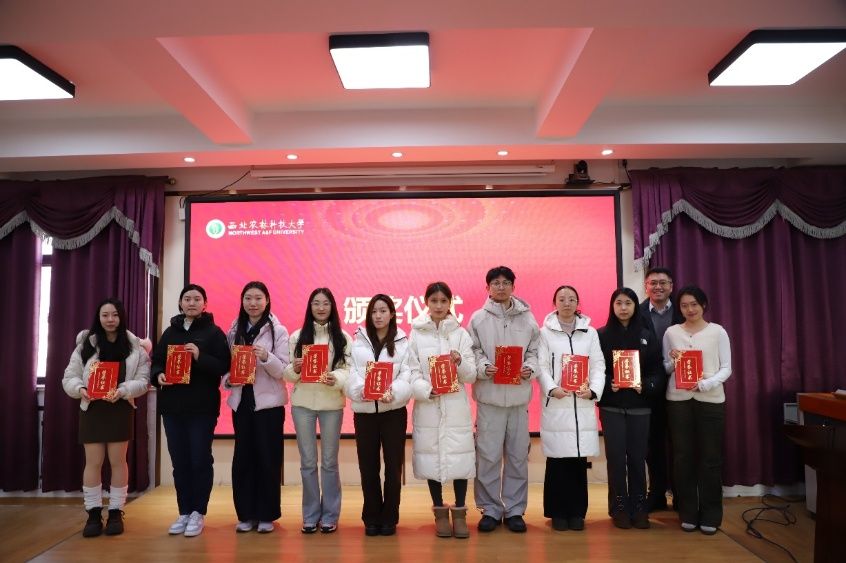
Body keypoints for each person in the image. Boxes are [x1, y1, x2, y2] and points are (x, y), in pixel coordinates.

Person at [62, 298, 150, 537]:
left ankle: (115, 512)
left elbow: (143, 381)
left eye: (115, 315)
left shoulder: (135, 347)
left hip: (119, 407)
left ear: (122, 317)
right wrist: (80, 389)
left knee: (118, 461)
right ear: (98, 318)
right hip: (92, 408)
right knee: (93, 462)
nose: (110, 320)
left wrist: (123, 390)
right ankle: (93, 514)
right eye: (105, 315)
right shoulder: (85, 345)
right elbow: (70, 376)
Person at [150, 284, 231, 538]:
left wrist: (199, 356)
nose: (192, 303)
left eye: (197, 299)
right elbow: (156, 361)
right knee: (180, 461)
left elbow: (224, 366)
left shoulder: (214, 333)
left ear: (205, 304)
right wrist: (158, 375)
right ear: (180, 303)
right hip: (172, 407)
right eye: (187, 299)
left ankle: (198, 511)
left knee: (199, 459)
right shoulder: (170, 332)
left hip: (202, 408)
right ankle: (184, 511)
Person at [468, 266, 540, 533]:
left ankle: (514, 510)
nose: (501, 287)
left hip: (519, 401)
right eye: (496, 283)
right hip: (489, 400)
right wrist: (483, 366)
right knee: (487, 457)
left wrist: (529, 368)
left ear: (513, 286)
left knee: (518, 457)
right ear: (487, 288)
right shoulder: (478, 319)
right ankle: (490, 509)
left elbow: (535, 352)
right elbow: (472, 351)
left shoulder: (528, 318)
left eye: (506, 282)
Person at [408, 282, 477, 539]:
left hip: (455, 405)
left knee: (459, 458)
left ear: (450, 303)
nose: (438, 306)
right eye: (434, 301)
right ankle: (439, 513)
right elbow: (411, 371)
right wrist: (426, 389)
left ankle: (460, 513)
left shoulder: (461, 334)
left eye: (443, 301)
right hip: (429, 405)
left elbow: (471, 375)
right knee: (432, 458)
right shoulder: (416, 334)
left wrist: (460, 362)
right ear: (426, 302)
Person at [663, 285, 731, 536]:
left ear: (703, 305)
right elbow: (666, 367)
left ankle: (711, 514)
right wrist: (673, 360)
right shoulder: (671, 332)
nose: (689, 309)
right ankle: (688, 512)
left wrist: (706, 383)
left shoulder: (718, 332)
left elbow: (727, 368)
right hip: (678, 400)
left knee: (710, 458)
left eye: (694, 304)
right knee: (683, 458)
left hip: (710, 400)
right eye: (684, 305)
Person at [283, 288, 352, 534]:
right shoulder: (297, 336)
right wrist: (295, 368)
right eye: (316, 303)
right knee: (308, 462)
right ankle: (310, 515)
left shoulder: (342, 337)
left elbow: (348, 369)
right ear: (309, 307)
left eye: (325, 303)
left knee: (330, 462)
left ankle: (330, 515)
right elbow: (287, 374)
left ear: (332, 307)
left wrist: (337, 377)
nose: (321, 308)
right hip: (303, 405)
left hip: (331, 404)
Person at [223, 281, 289, 534]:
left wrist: (266, 357)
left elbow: (283, 371)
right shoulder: (233, 331)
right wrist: (228, 380)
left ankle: (266, 515)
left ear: (267, 300)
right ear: (242, 301)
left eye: (258, 298)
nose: (253, 303)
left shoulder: (278, 331)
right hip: (242, 404)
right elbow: (226, 368)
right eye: (248, 298)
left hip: (269, 406)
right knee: (243, 459)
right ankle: (246, 514)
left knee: (268, 459)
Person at [537, 285, 605, 532]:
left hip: (582, 404)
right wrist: (552, 388)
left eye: (572, 299)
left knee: (578, 461)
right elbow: (541, 366)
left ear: (578, 303)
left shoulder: (590, 332)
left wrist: (594, 390)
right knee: (557, 461)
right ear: (554, 302)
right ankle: (557, 512)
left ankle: (577, 512)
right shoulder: (544, 333)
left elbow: (598, 365)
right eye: (562, 299)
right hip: (557, 402)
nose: (567, 303)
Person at [345, 294, 413, 536]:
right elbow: (351, 372)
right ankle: (371, 517)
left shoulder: (403, 341)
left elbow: (407, 374)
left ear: (392, 314)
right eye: (374, 311)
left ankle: (389, 518)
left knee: (393, 468)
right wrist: (361, 391)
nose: (378, 315)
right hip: (365, 413)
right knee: (368, 467)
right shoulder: (358, 341)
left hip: (393, 412)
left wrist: (393, 392)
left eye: (383, 311)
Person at [597, 288, 663, 529]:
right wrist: (608, 384)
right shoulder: (600, 335)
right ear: (612, 307)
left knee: (637, 458)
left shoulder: (647, 335)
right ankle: (619, 508)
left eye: (628, 303)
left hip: (640, 406)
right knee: (615, 459)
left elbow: (657, 370)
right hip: (612, 406)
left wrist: (645, 385)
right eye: (619, 303)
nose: (623, 308)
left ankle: (639, 506)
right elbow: (596, 369)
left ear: (636, 306)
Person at [639, 267, 683, 511]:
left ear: (671, 286)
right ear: (646, 286)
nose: (658, 287)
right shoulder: (637, 312)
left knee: (680, 443)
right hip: (649, 388)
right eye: (653, 282)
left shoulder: (684, 310)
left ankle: (681, 494)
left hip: (682, 385)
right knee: (652, 444)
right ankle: (655, 494)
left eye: (663, 282)